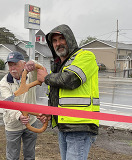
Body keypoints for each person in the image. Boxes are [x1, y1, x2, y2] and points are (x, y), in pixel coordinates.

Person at [36, 24, 99, 160]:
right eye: (54, 41)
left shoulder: (85, 57)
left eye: (61, 38)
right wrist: (51, 111)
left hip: (80, 128)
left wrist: (46, 78)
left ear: (69, 39)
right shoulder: (59, 66)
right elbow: (60, 95)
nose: (58, 43)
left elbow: (70, 80)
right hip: (64, 127)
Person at [0, 51, 41, 160]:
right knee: (12, 156)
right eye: (10, 65)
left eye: (16, 64)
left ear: (23, 64)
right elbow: (8, 104)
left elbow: (39, 68)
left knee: (30, 155)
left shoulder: (31, 76)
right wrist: (19, 116)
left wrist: (33, 62)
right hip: (12, 124)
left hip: (31, 121)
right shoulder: (4, 83)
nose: (13, 68)